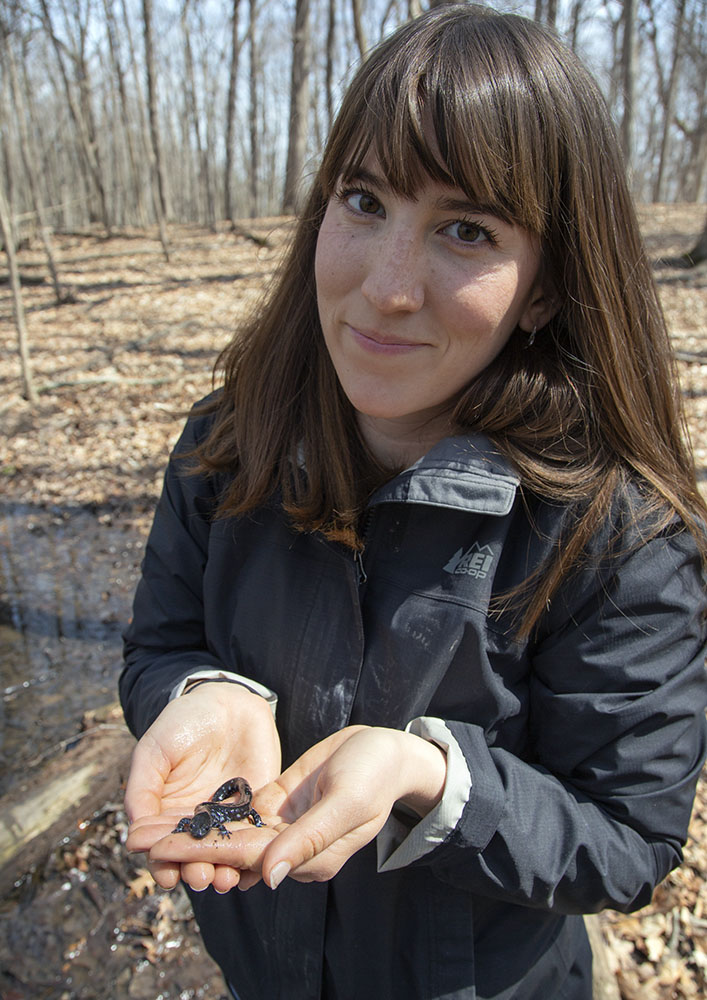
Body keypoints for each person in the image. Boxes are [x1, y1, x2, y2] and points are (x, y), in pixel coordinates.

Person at [119, 5, 707, 999]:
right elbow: (160, 643)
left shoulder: (615, 534)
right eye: (363, 200)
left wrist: (432, 779)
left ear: (543, 287)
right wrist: (200, 693)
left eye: (464, 228)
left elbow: (626, 837)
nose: (387, 286)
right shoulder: (227, 443)